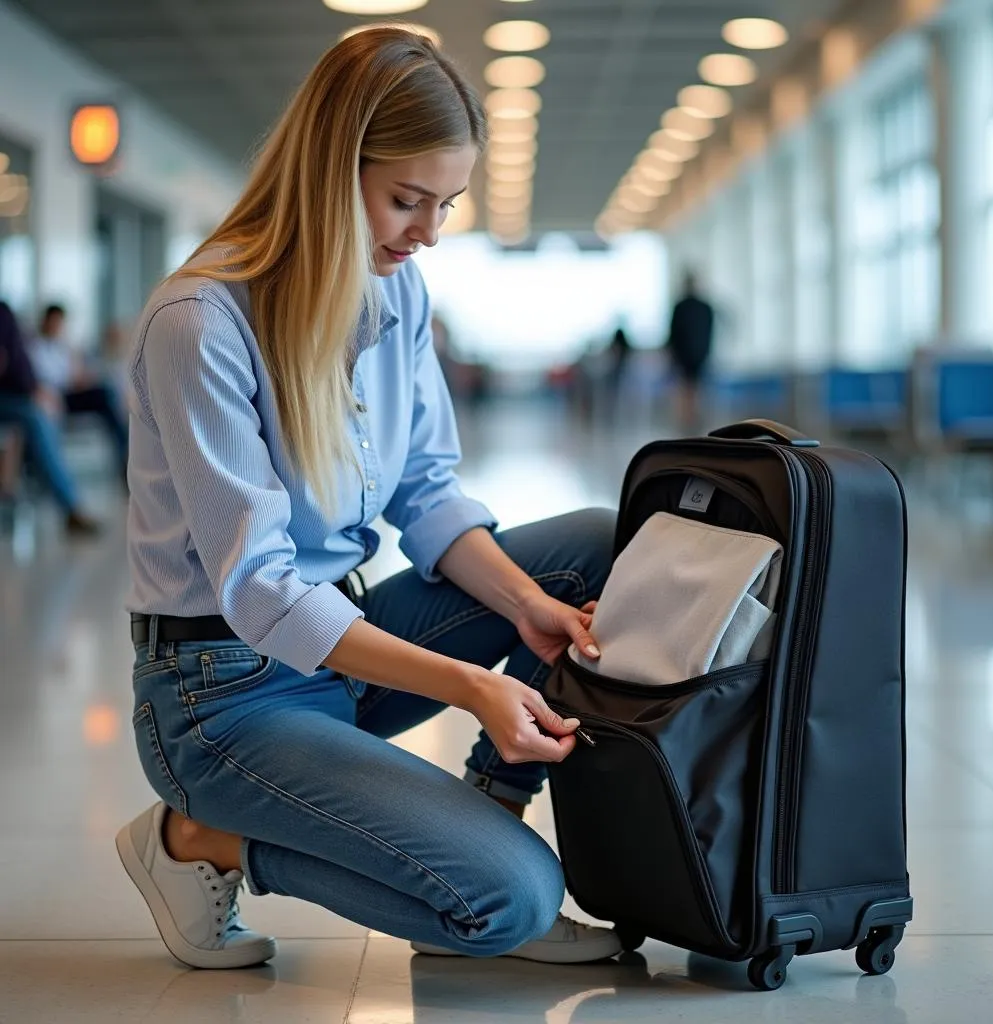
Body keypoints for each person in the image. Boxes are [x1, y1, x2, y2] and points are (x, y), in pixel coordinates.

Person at [115, 28, 625, 973]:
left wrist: (528, 609)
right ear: (327, 172)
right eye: (406, 200)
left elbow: (425, 492)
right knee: (507, 899)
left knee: (585, 548)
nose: (428, 231)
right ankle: (198, 839)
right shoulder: (201, 323)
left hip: (336, 657)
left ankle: (487, 808)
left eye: (447, 204)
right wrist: (475, 684)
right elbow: (262, 591)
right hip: (220, 696)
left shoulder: (397, 294)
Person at [0, 300, 102, 535]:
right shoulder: (31, 339)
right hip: (16, 398)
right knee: (36, 417)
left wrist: (36, 390)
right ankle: (70, 505)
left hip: (28, 393)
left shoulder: (5, 310)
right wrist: (33, 391)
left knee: (49, 411)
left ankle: (43, 478)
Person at [29, 303, 129, 471]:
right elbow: (39, 381)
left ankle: (124, 451)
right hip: (52, 397)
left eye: (60, 323)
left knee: (106, 392)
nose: (57, 327)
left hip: (69, 394)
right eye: (54, 322)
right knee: (105, 395)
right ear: (46, 322)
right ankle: (124, 451)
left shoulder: (62, 347)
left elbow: (75, 377)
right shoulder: (35, 348)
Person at [666, 271, 715, 432]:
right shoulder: (704, 307)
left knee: (689, 387)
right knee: (693, 387)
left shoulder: (681, 306)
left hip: (688, 354)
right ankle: (690, 417)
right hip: (697, 353)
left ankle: (689, 417)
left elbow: (673, 333)